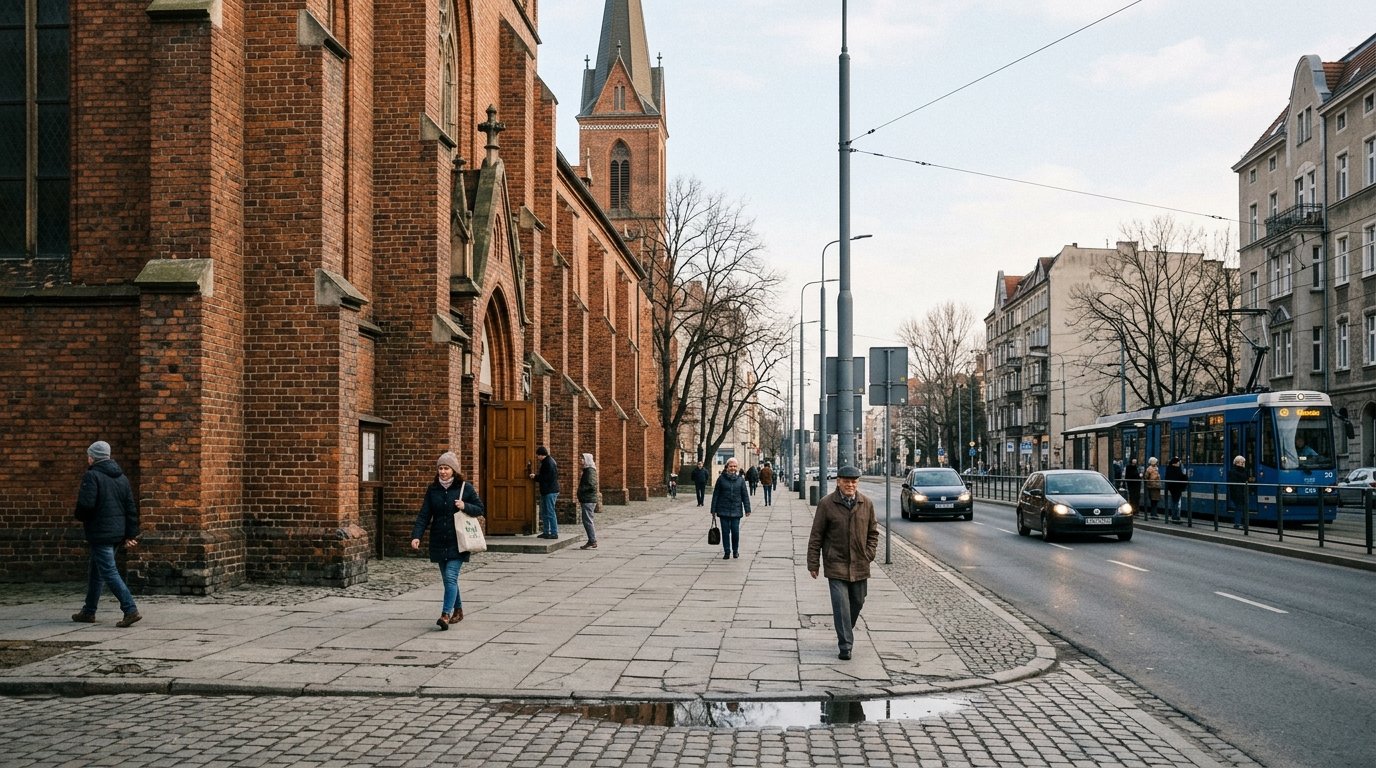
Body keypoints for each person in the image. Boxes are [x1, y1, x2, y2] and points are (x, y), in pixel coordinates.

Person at [806, 465, 878, 661]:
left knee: (857, 601)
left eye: (854, 481)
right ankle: (845, 645)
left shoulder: (866, 503)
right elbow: (816, 536)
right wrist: (813, 563)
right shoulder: (826, 504)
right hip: (835, 564)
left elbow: (873, 534)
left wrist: (868, 553)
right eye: (846, 481)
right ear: (838, 482)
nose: (850, 485)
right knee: (841, 606)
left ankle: (846, 628)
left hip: (860, 564)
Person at [72, 440, 143, 627]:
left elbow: (86, 505)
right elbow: (130, 508)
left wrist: (79, 515)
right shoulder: (122, 478)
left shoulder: (92, 476)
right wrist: (130, 534)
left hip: (100, 532)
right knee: (96, 572)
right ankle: (88, 611)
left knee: (109, 571)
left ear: (91, 457)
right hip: (117, 533)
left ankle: (130, 609)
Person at [411, 452, 485, 630]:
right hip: (438, 539)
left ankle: (445, 614)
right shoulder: (433, 489)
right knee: (448, 579)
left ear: (454, 470)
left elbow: (480, 509)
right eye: (440, 468)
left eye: (446, 468)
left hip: (458, 540)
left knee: (451, 576)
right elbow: (424, 515)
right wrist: (416, 536)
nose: (443, 472)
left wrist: (464, 506)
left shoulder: (464, 488)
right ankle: (458, 610)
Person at [710, 458, 751, 560]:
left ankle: (735, 551)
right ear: (727, 467)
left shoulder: (741, 480)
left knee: (735, 532)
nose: (733, 468)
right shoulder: (721, 479)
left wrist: (747, 509)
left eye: (735, 466)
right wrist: (713, 510)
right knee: (725, 532)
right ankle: (727, 551)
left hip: (736, 510)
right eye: (731, 466)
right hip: (723, 509)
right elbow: (716, 495)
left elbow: (745, 495)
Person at [529, 445, 560, 539]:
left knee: (550, 512)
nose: (537, 457)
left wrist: (535, 477)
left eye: (538, 455)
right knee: (545, 512)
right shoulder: (549, 461)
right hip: (548, 490)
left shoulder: (548, 463)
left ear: (542, 455)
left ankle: (554, 532)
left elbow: (546, 478)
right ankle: (546, 531)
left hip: (550, 491)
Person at [577, 453, 600, 550]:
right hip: (587, 499)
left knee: (588, 521)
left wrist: (581, 490)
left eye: (582, 458)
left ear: (586, 460)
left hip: (588, 500)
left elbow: (591, 485)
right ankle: (591, 540)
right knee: (587, 520)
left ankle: (592, 540)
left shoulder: (590, 471)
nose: (580, 460)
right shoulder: (587, 470)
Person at [1228, 455, 1250, 529]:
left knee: (1241, 508)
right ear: (1237, 462)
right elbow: (1244, 477)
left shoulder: (1239, 470)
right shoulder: (1235, 471)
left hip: (1241, 492)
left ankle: (1242, 523)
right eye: (1242, 462)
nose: (1243, 464)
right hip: (1238, 492)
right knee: (1239, 508)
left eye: (1244, 462)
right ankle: (1237, 523)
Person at [1164, 456, 1188, 523]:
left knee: (1174, 501)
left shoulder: (1169, 468)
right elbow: (1182, 477)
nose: (1178, 464)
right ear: (1174, 463)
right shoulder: (1177, 469)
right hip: (1177, 488)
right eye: (1177, 462)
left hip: (1172, 488)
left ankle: (1174, 516)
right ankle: (1175, 517)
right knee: (1176, 502)